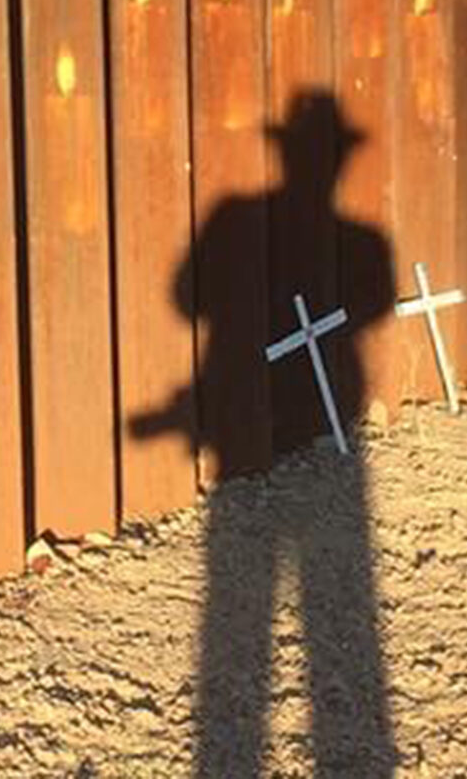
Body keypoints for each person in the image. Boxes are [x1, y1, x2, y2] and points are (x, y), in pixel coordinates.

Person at [132, 89, 398, 775]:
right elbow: (377, 302)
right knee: (306, 583)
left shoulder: (243, 216)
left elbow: (184, 294)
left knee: (243, 586)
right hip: (325, 394)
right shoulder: (358, 236)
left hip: (280, 397)